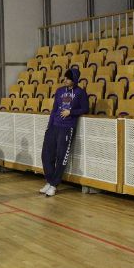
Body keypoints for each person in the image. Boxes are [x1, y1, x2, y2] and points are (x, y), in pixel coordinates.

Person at [40, 68, 88, 197]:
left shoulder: (80, 93)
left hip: (67, 127)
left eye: (68, 78)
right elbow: (54, 109)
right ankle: (49, 180)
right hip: (54, 126)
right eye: (65, 78)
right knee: (46, 155)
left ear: (74, 80)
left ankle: (54, 185)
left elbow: (85, 108)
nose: (65, 80)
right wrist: (49, 126)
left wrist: (71, 112)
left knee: (61, 157)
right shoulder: (59, 91)